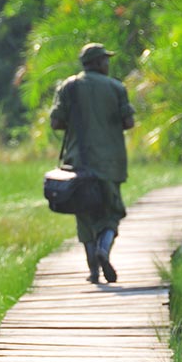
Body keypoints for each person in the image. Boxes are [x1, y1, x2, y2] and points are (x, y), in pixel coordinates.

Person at [49, 42, 134, 283]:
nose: (108, 64)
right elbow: (128, 122)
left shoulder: (69, 87)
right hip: (110, 164)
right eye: (105, 60)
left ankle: (93, 272)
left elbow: (56, 123)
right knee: (111, 212)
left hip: (78, 162)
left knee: (84, 213)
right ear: (97, 63)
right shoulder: (117, 87)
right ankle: (103, 251)